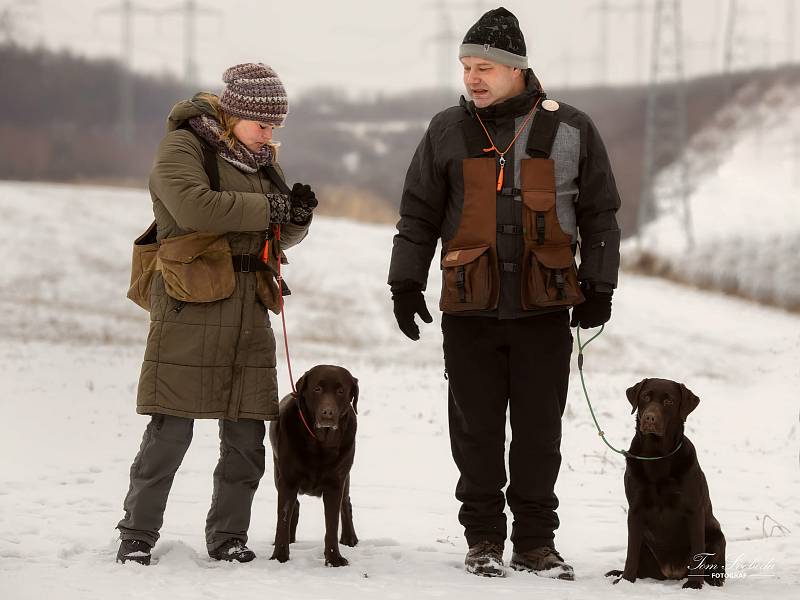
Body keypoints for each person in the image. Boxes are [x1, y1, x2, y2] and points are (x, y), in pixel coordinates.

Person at [388, 7, 621, 579]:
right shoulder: (446, 129)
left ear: (518, 69)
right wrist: (405, 281)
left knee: (540, 433)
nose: (473, 77)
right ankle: (485, 539)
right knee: (476, 430)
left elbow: (600, 214)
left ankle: (536, 543)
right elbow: (417, 214)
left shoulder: (571, 128)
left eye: (486, 66)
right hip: (470, 312)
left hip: (545, 311)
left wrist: (599, 283)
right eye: (466, 66)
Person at [116, 63, 318, 565]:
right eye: (263, 124)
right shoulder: (182, 147)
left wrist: (295, 218)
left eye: (276, 127)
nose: (271, 135)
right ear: (233, 113)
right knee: (170, 431)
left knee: (248, 437)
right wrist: (272, 206)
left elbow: (273, 232)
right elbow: (195, 208)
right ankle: (136, 535)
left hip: (251, 309)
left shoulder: (263, 159)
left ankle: (229, 537)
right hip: (191, 304)